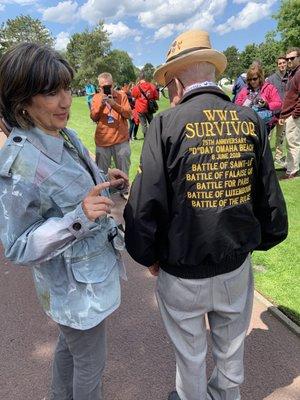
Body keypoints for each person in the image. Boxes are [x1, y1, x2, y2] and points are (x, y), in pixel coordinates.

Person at [124, 29, 288, 400]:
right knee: (231, 352)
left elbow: (145, 203)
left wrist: (148, 255)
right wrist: (256, 241)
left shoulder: (165, 124)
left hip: (181, 268)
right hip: (233, 264)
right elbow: (269, 198)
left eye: (167, 87)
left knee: (190, 356)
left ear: (178, 83)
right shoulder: (249, 120)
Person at [0, 43, 129, 400]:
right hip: (74, 291)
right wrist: (78, 218)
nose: (65, 101)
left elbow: (74, 185)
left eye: (66, 88)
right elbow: (18, 245)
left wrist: (107, 179)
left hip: (90, 279)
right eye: (50, 92)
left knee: (69, 349)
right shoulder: (19, 162)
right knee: (91, 363)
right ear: (22, 101)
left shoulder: (67, 136)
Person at [90, 72, 132, 198]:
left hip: (121, 139)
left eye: (108, 86)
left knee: (123, 168)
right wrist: (102, 106)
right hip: (103, 140)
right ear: (99, 87)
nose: (105, 88)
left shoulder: (121, 95)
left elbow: (128, 114)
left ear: (112, 84)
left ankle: (124, 190)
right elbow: (93, 117)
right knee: (101, 171)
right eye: (103, 87)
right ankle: (103, 193)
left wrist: (114, 105)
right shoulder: (96, 98)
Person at [235, 64, 282, 134]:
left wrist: (266, 104)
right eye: (250, 79)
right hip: (247, 123)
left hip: (263, 123)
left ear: (260, 77)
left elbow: (278, 103)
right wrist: (245, 103)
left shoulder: (269, 88)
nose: (252, 81)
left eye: (254, 79)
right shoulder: (245, 89)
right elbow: (237, 103)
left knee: (262, 144)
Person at [279, 47, 300, 179]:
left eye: (292, 58)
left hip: (294, 115)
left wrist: (295, 114)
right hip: (288, 114)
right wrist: (283, 115)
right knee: (289, 142)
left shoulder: (299, 73)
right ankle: (291, 167)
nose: (289, 61)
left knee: (293, 143)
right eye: (287, 59)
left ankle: (293, 172)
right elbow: (288, 97)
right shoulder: (292, 73)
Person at [267, 55, 288, 167]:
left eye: (284, 63)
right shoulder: (271, 79)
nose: (282, 65)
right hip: (272, 114)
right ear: (277, 65)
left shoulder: (290, 77)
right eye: (280, 63)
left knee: (280, 137)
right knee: (268, 136)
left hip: (284, 114)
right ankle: (265, 158)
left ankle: (278, 158)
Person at [131, 72, 159, 137]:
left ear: (139, 78)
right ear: (145, 78)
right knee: (152, 123)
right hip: (149, 107)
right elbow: (156, 96)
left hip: (140, 108)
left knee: (144, 125)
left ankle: (146, 138)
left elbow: (133, 95)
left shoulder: (136, 87)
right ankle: (154, 136)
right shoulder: (151, 86)